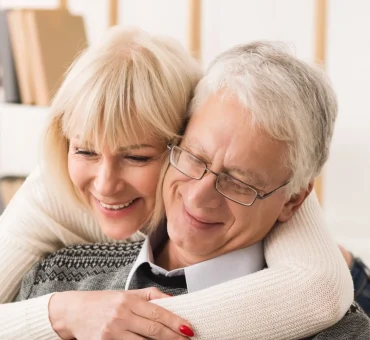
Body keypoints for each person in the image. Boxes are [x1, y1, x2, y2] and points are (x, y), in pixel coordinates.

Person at [0, 27, 353, 339]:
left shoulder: (300, 245)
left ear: (179, 131)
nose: (105, 186)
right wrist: (63, 314)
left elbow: (321, 290)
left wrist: (132, 323)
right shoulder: (51, 202)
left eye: (137, 157)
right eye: (85, 150)